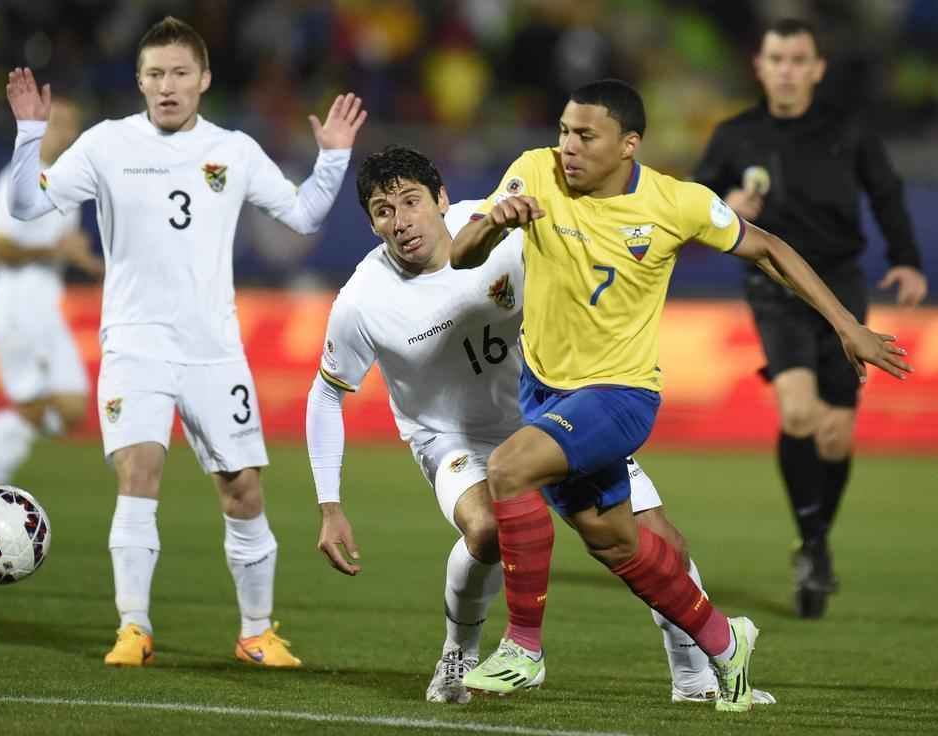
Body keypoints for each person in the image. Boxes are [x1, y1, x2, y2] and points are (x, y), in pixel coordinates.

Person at [450, 79, 911, 711]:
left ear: (629, 144)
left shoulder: (676, 203)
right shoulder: (534, 171)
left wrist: (846, 327)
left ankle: (524, 648)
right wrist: (494, 224)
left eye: (585, 136)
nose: (568, 147)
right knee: (613, 541)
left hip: (620, 394)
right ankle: (727, 644)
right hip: (545, 392)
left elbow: (769, 249)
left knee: (508, 467)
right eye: (563, 131)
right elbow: (459, 253)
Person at [305, 145, 775, 706]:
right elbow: (326, 394)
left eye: (412, 202)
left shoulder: (498, 225)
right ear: (371, 222)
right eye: (384, 211)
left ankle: (694, 680)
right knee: (485, 531)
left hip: (549, 413)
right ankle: (460, 652)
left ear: (443, 200)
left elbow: (604, 229)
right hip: (452, 437)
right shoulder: (362, 300)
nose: (401, 221)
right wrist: (330, 506)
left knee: (657, 538)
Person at [4, 16, 367, 668]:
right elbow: (29, 208)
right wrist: (31, 133)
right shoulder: (106, 144)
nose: (166, 86)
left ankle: (256, 632)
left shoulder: (233, 148)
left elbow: (304, 214)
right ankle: (133, 629)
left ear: (202, 79)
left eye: (178, 73)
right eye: (153, 74)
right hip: (134, 343)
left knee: (243, 490)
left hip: (213, 349)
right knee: (138, 474)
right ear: (139, 81)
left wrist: (333, 157)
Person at [693, 18, 928, 618]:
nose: (788, 69)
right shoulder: (735, 136)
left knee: (837, 434)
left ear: (817, 69)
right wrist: (726, 209)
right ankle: (812, 543)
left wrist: (905, 260)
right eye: (777, 58)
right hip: (773, 289)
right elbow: (690, 206)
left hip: (842, 286)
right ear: (760, 66)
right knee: (798, 412)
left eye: (799, 59)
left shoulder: (847, 130)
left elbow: (886, 194)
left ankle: (815, 543)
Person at [0, 94, 103, 501]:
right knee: (34, 412)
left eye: (73, 125)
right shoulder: (17, 177)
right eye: (61, 123)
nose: (69, 132)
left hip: (45, 310)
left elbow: (60, 246)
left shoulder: (65, 183)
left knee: (71, 409)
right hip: (16, 309)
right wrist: (55, 251)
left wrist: (93, 265)